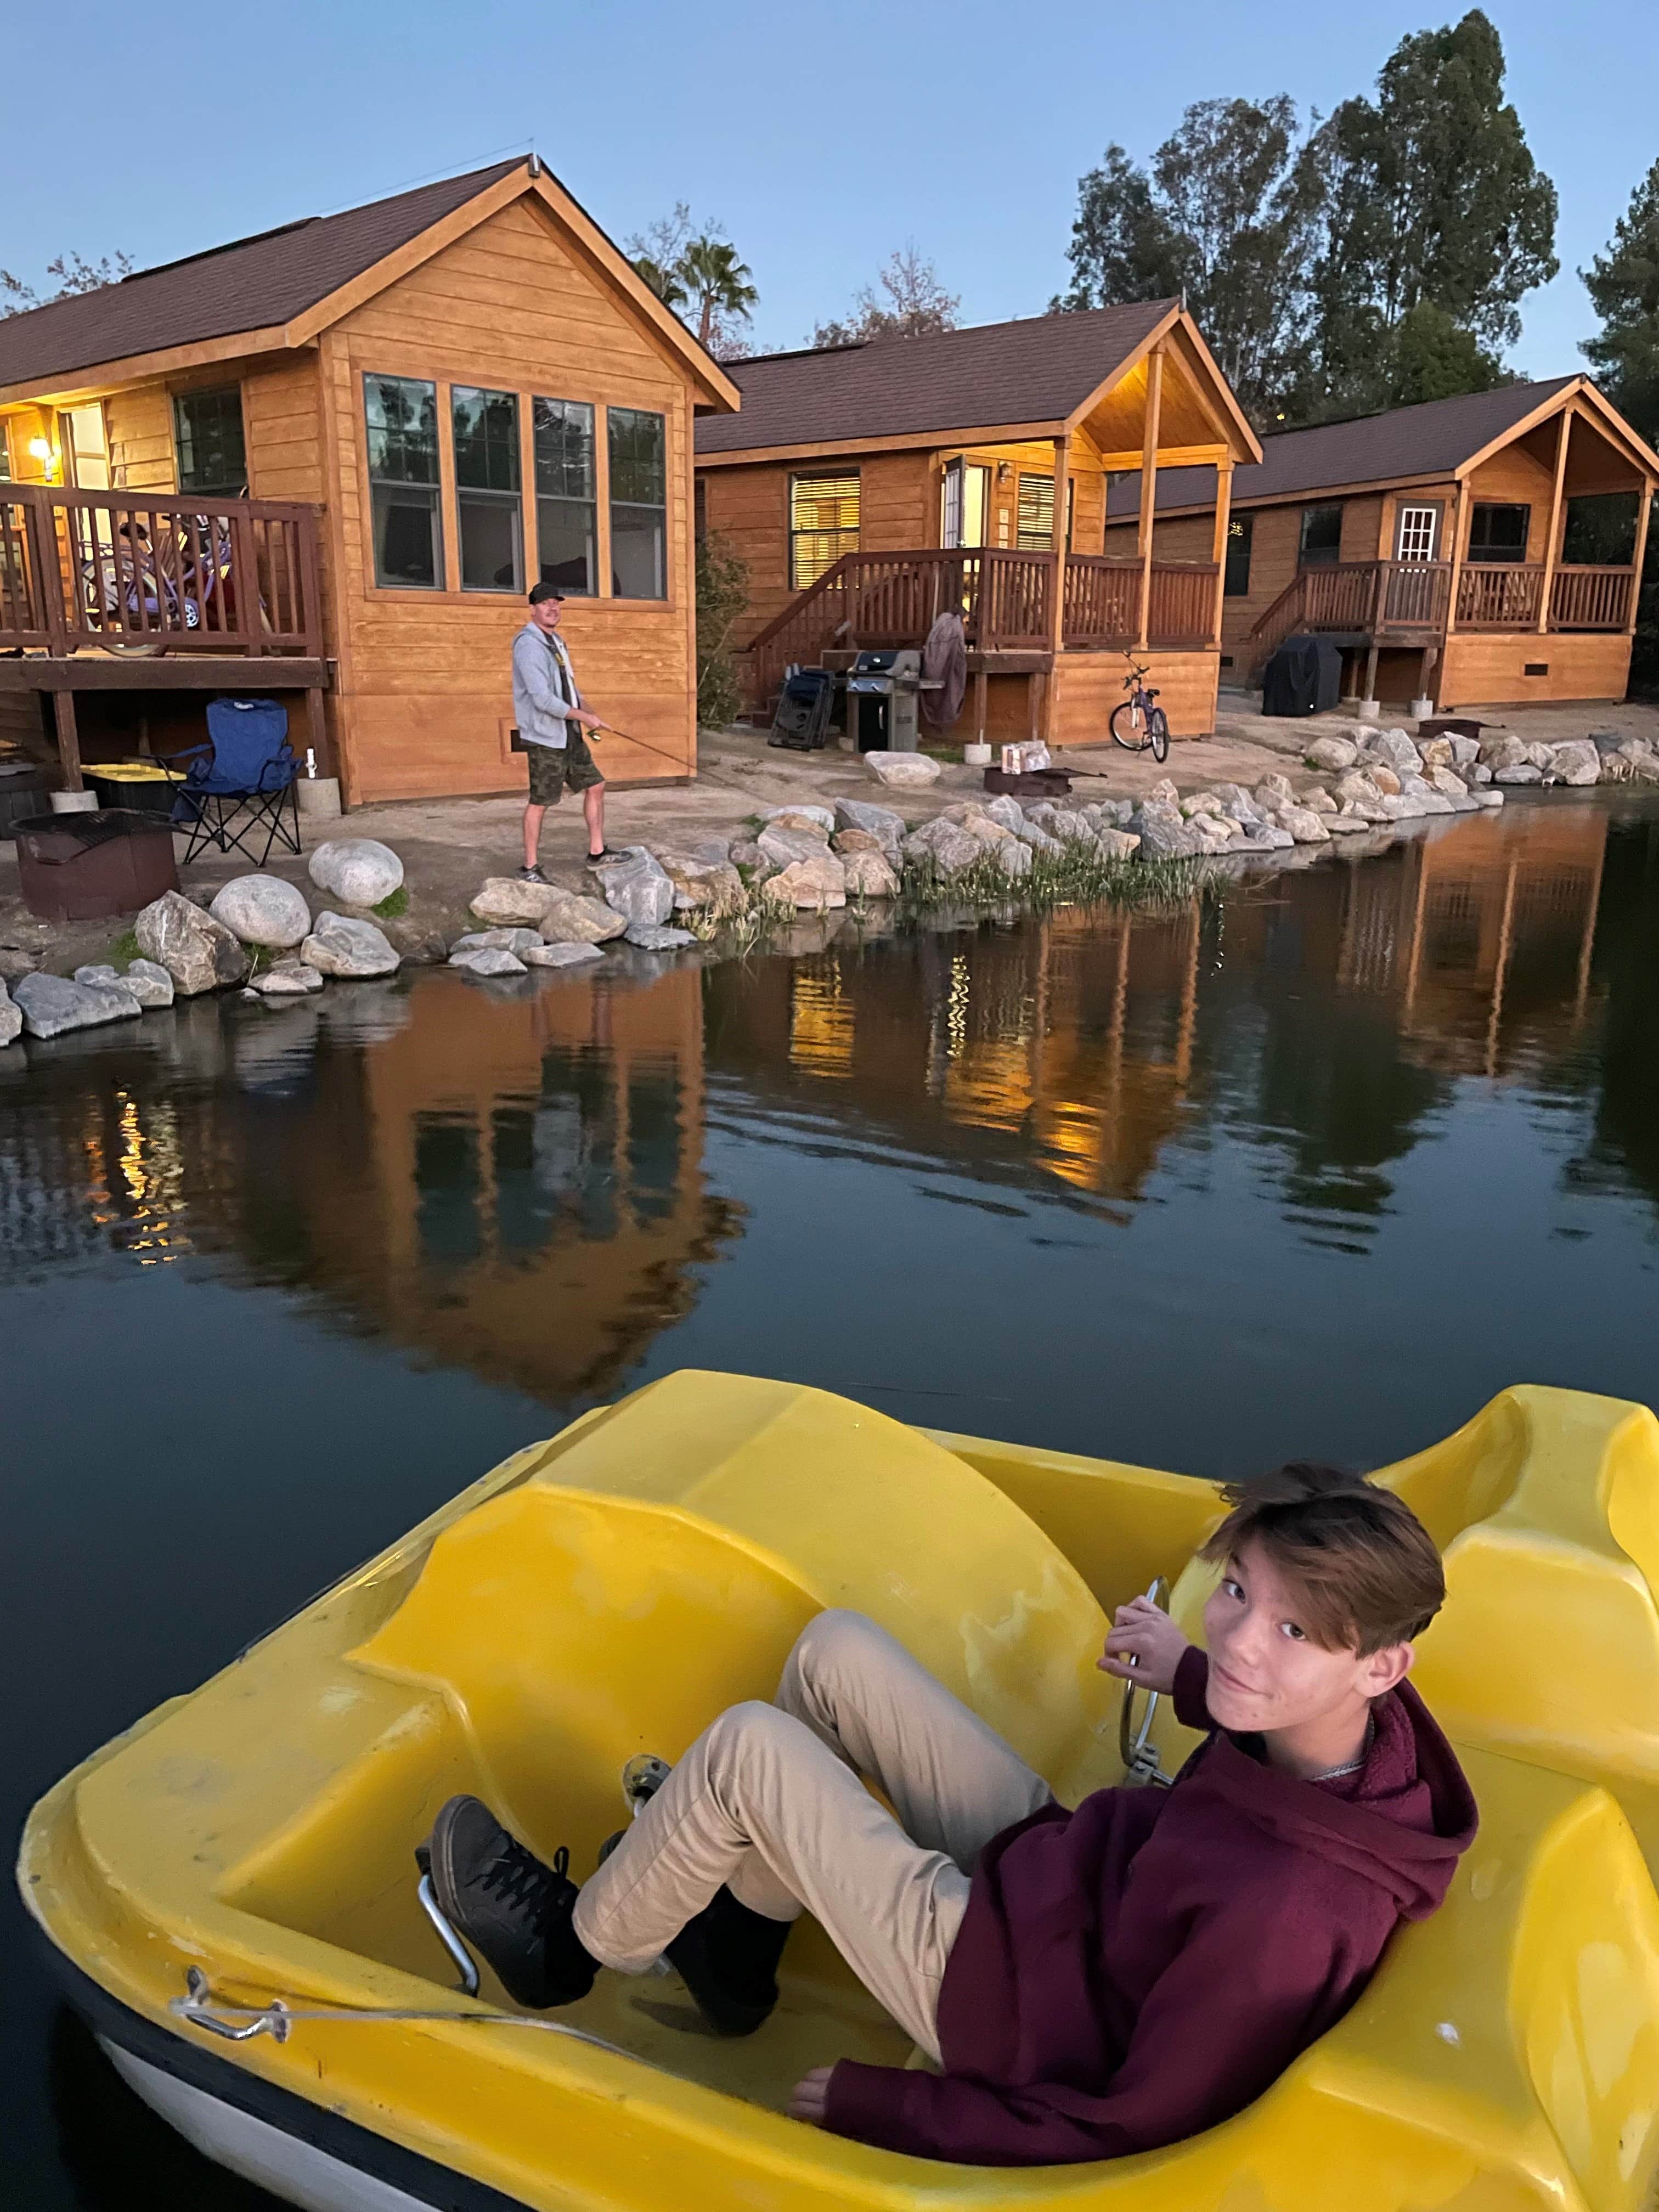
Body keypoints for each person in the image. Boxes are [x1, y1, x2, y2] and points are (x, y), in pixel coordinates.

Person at [420, 1463, 1476, 2167]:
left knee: (749, 1748)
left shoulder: (1286, 1912)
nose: (1244, 1638)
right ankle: (735, 1948)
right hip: (1070, 1885)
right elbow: (1268, 1720)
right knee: (832, 1652)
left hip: (1010, 2009)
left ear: (1381, 1662)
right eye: (1238, 1589)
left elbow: (1138, 2121)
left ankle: (570, 1949)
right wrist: (1188, 1675)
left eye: (1293, 1628)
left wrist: (897, 2108)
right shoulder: (1357, 1736)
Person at [512, 582, 612, 882]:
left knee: (596, 785)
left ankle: (597, 852)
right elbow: (542, 699)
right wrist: (583, 716)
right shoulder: (528, 645)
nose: (553, 608)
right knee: (541, 801)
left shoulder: (556, 642)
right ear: (532, 609)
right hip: (545, 738)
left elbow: (567, 685)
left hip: (569, 732)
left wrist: (587, 709)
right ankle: (530, 868)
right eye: (545, 604)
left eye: (557, 603)